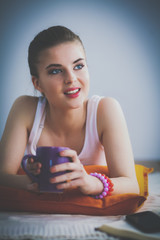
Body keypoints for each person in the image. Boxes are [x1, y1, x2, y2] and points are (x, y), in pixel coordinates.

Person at [0, 26, 139, 198]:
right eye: (56, 71)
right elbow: (2, 176)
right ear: (37, 84)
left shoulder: (105, 109)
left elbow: (132, 185)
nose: (71, 78)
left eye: (78, 66)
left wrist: (90, 182)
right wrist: (33, 181)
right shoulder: (25, 108)